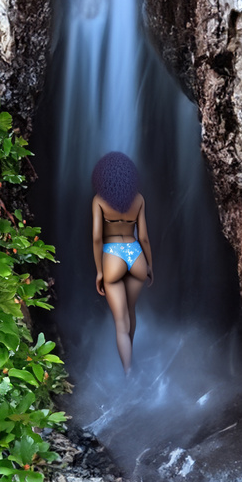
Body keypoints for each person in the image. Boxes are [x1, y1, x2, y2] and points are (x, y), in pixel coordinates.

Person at [91, 151, 154, 371]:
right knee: (131, 311)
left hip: (113, 256)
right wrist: (149, 265)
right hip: (135, 255)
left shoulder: (99, 200)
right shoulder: (138, 200)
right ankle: (131, 354)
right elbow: (143, 237)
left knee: (120, 322)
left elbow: (98, 237)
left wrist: (100, 271)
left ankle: (128, 372)